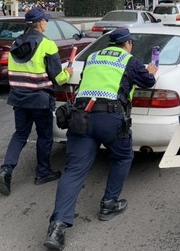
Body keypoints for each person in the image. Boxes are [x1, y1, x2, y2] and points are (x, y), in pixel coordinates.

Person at [43, 28, 158, 250]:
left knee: (74, 170)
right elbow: (148, 82)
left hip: (82, 116)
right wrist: (151, 71)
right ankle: (109, 204)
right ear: (127, 44)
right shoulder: (130, 60)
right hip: (111, 119)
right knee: (123, 156)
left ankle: (57, 227)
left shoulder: (93, 57)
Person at [0, 6, 73, 196]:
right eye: (45, 20)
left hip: (18, 97)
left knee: (20, 134)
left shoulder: (16, 44)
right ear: (40, 23)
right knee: (44, 136)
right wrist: (67, 73)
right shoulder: (47, 45)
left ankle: (6, 170)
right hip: (39, 99)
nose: (47, 22)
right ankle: (42, 173)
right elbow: (57, 78)